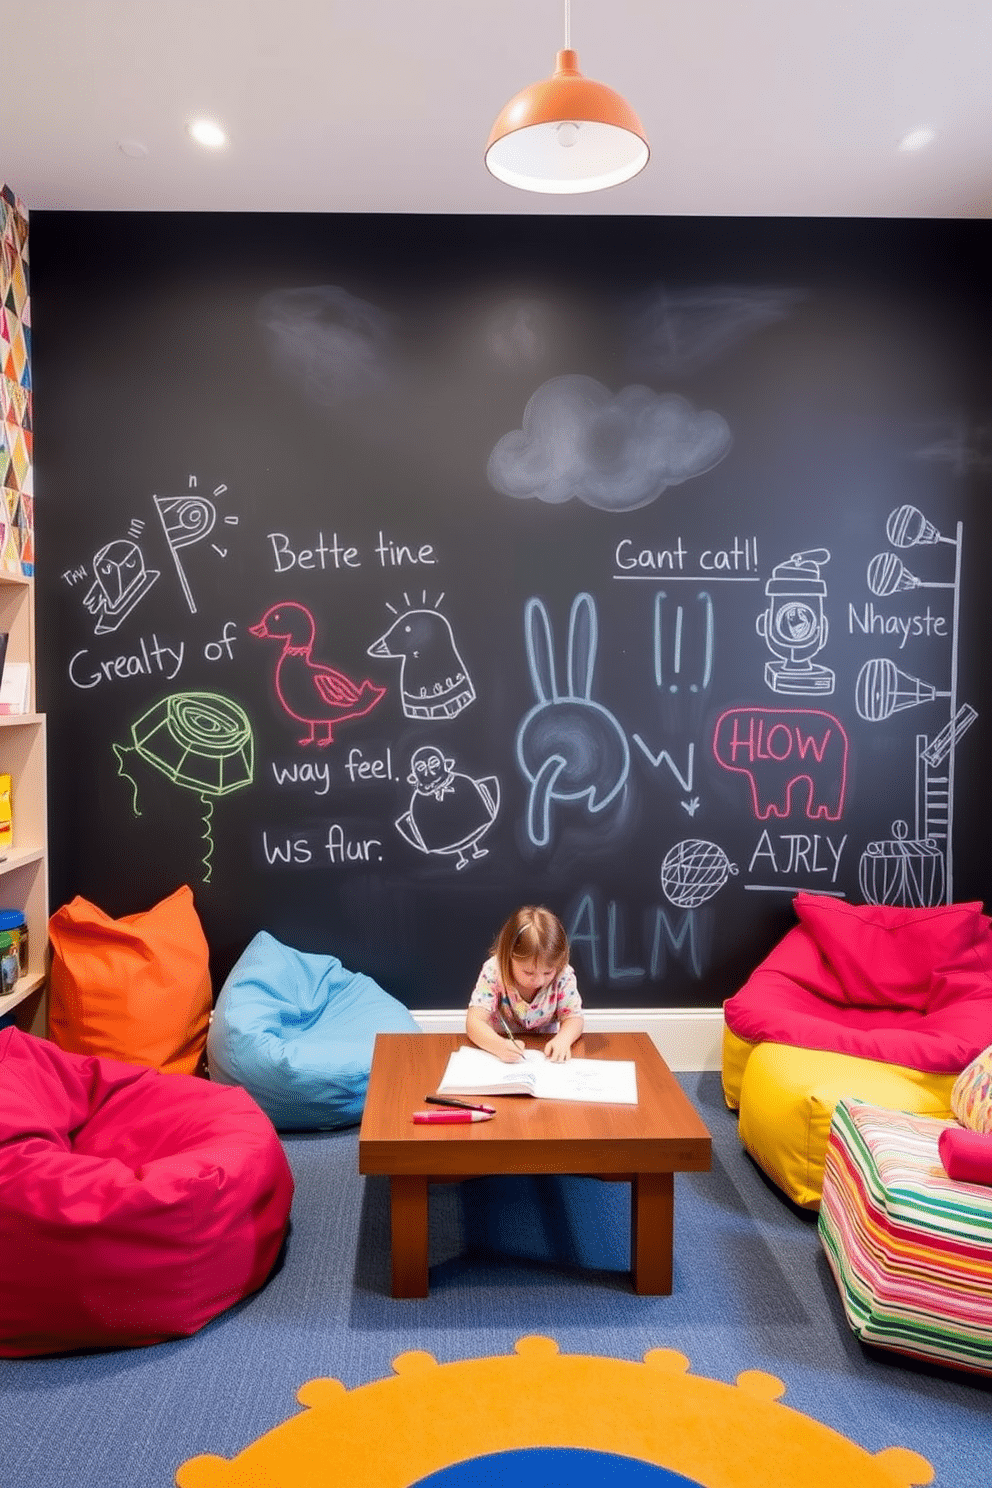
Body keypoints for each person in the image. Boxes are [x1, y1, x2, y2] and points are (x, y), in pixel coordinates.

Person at [466, 906, 584, 1063]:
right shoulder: (494, 971)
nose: (539, 981)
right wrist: (499, 1046)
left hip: (545, 1048)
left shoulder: (563, 975)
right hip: (501, 1046)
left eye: (548, 973)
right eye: (528, 973)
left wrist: (563, 1039)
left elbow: (574, 1018)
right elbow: (474, 1022)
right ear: (508, 957)